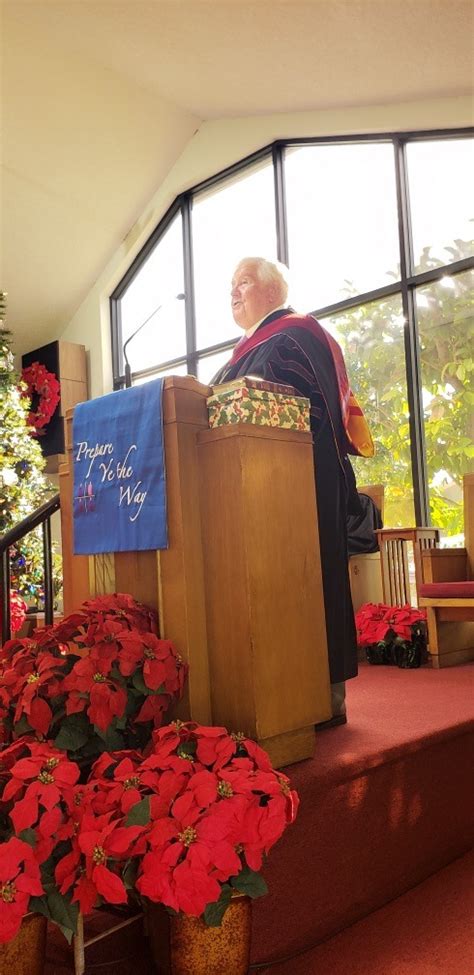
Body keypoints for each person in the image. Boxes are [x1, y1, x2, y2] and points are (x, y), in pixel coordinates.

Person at [212, 257, 374, 726]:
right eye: (231, 284)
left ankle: (320, 697)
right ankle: (279, 694)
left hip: (297, 487)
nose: (233, 292)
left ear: (271, 291)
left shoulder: (295, 335)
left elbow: (300, 411)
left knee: (306, 581)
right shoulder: (248, 349)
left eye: (242, 281)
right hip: (258, 489)